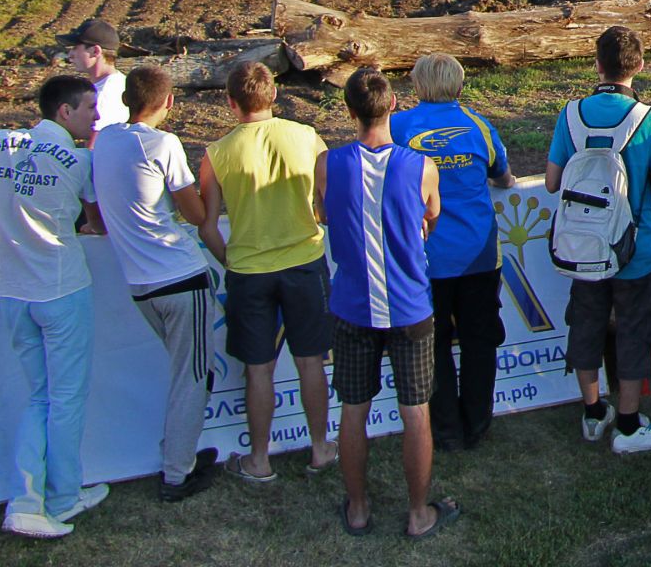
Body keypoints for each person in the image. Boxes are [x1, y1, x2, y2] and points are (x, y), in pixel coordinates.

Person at [0, 75, 110, 539]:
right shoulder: (80, 160)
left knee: (40, 396)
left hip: (10, 289)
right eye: (89, 108)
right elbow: (96, 222)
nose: (95, 116)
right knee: (63, 399)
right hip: (61, 288)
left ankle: (44, 493)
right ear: (64, 112)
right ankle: (46, 497)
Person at [317, 70, 455, 539]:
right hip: (410, 307)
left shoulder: (327, 164)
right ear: (394, 103)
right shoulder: (421, 167)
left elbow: (321, 213)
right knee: (415, 409)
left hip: (354, 307)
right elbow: (432, 215)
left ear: (349, 111)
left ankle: (358, 508)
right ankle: (418, 513)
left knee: (353, 409)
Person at [197, 62, 337, 481]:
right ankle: (319, 447)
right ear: (274, 95)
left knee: (258, 368)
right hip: (304, 263)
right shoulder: (307, 137)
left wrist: (231, 259)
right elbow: (325, 209)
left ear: (230, 102)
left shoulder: (216, 153)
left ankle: (259, 459)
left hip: (248, 269)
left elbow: (206, 225)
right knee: (311, 361)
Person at [89, 64, 222, 503]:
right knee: (194, 377)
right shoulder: (163, 144)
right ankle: (177, 474)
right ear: (168, 103)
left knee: (185, 372)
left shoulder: (104, 140)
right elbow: (197, 214)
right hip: (180, 278)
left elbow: (98, 211)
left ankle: (178, 454)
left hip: (140, 285)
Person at [545, 26, 651, 453]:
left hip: (583, 246)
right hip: (634, 251)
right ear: (639, 66)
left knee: (585, 324)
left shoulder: (570, 115)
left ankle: (592, 411)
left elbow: (551, 182)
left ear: (596, 64)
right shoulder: (650, 120)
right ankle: (629, 421)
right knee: (634, 331)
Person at [389, 53, 514, 453]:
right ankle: (477, 424)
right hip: (477, 253)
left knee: (433, 342)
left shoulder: (398, 126)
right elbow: (504, 175)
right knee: (480, 339)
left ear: (417, 87)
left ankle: (446, 430)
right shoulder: (478, 124)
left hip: (424, 257)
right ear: (460, 87)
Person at [59, 17, 127, 131]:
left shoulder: (101, 97)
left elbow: (93, 146)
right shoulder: (121, 81)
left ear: (95, 51)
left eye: (75, 48)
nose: (70, 55)